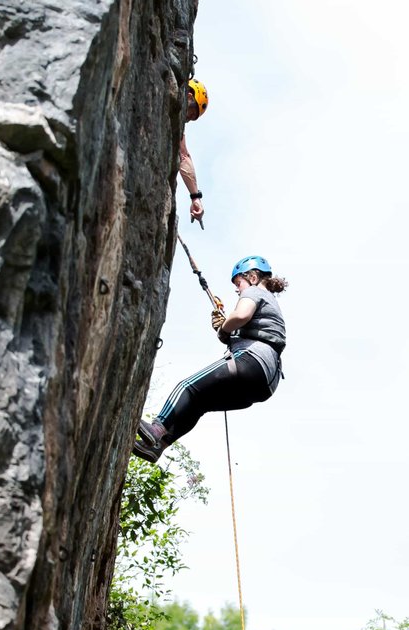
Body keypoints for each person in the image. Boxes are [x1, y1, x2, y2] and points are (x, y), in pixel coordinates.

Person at [134, 256, 288, 463]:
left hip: (253, 361)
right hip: (265, 383)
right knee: (199, 402)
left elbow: (241, 315)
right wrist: (228, 331)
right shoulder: (271, 304)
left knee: (188, 387)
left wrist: (224, 329)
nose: (237, 290)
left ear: (252, 277)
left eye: (238, 283)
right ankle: (158, 447)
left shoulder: (254, 291)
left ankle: (157, 428)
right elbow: (247, 329)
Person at [180, 79, 208, 225]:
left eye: (191, 119)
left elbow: (183, 155)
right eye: (191, 113)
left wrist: (195, 197)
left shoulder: (176, 122)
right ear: (189, 96)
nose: (187, 120)